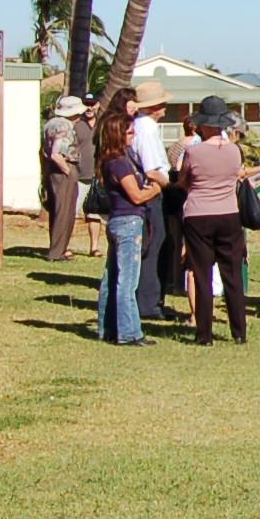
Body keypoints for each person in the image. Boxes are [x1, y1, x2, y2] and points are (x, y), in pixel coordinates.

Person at [175, 96, 251, 344]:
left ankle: (204, 332)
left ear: (205, 125)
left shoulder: (194, 152)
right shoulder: (234, 151)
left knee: (202, 274)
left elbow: (185, 181)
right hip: (228, 214)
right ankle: (239, 331)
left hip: (198, 214)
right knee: (232, 275)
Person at [95, 107, 161, 344]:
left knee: (111, 277)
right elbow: (135, 196)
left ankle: (107, 327)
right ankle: (129, 332)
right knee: (127, 280)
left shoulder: (110, 161)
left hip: (116, 220)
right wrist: (155, 188)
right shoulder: (120, 163)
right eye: (130, 133)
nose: (133, 137)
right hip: (128, 222)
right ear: (118, 135)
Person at [127, 79, 179, 323]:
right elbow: (151, 168)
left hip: (155, 188)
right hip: (154, 191)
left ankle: (150, 298)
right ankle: (148, 302)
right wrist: (169, 185)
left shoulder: (141, 126)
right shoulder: (146, 128)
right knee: (155, 246)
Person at [41, 95, 86, 260]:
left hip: (53, 171)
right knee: (65, 212)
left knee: (57, 210)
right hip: (63, 170)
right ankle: (58, 251)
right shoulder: (64, 126)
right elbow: (56, 153)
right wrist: (67, 170)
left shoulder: (50, 124)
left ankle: (57, 248)